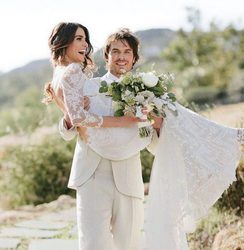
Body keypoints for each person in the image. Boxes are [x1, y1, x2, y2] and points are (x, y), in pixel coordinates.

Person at [44, 23, 160, 250]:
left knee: (129, 245)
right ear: (106, 57)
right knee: (93, 244)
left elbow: (153, 140)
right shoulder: (88, 85)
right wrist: (68, 119)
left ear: (135, 58)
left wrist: (152, 121)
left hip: (129, 178)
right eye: (115, 51)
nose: (121, 57)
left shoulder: (148, 95)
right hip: (92, 175)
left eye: (127, 52)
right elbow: (68, 128)